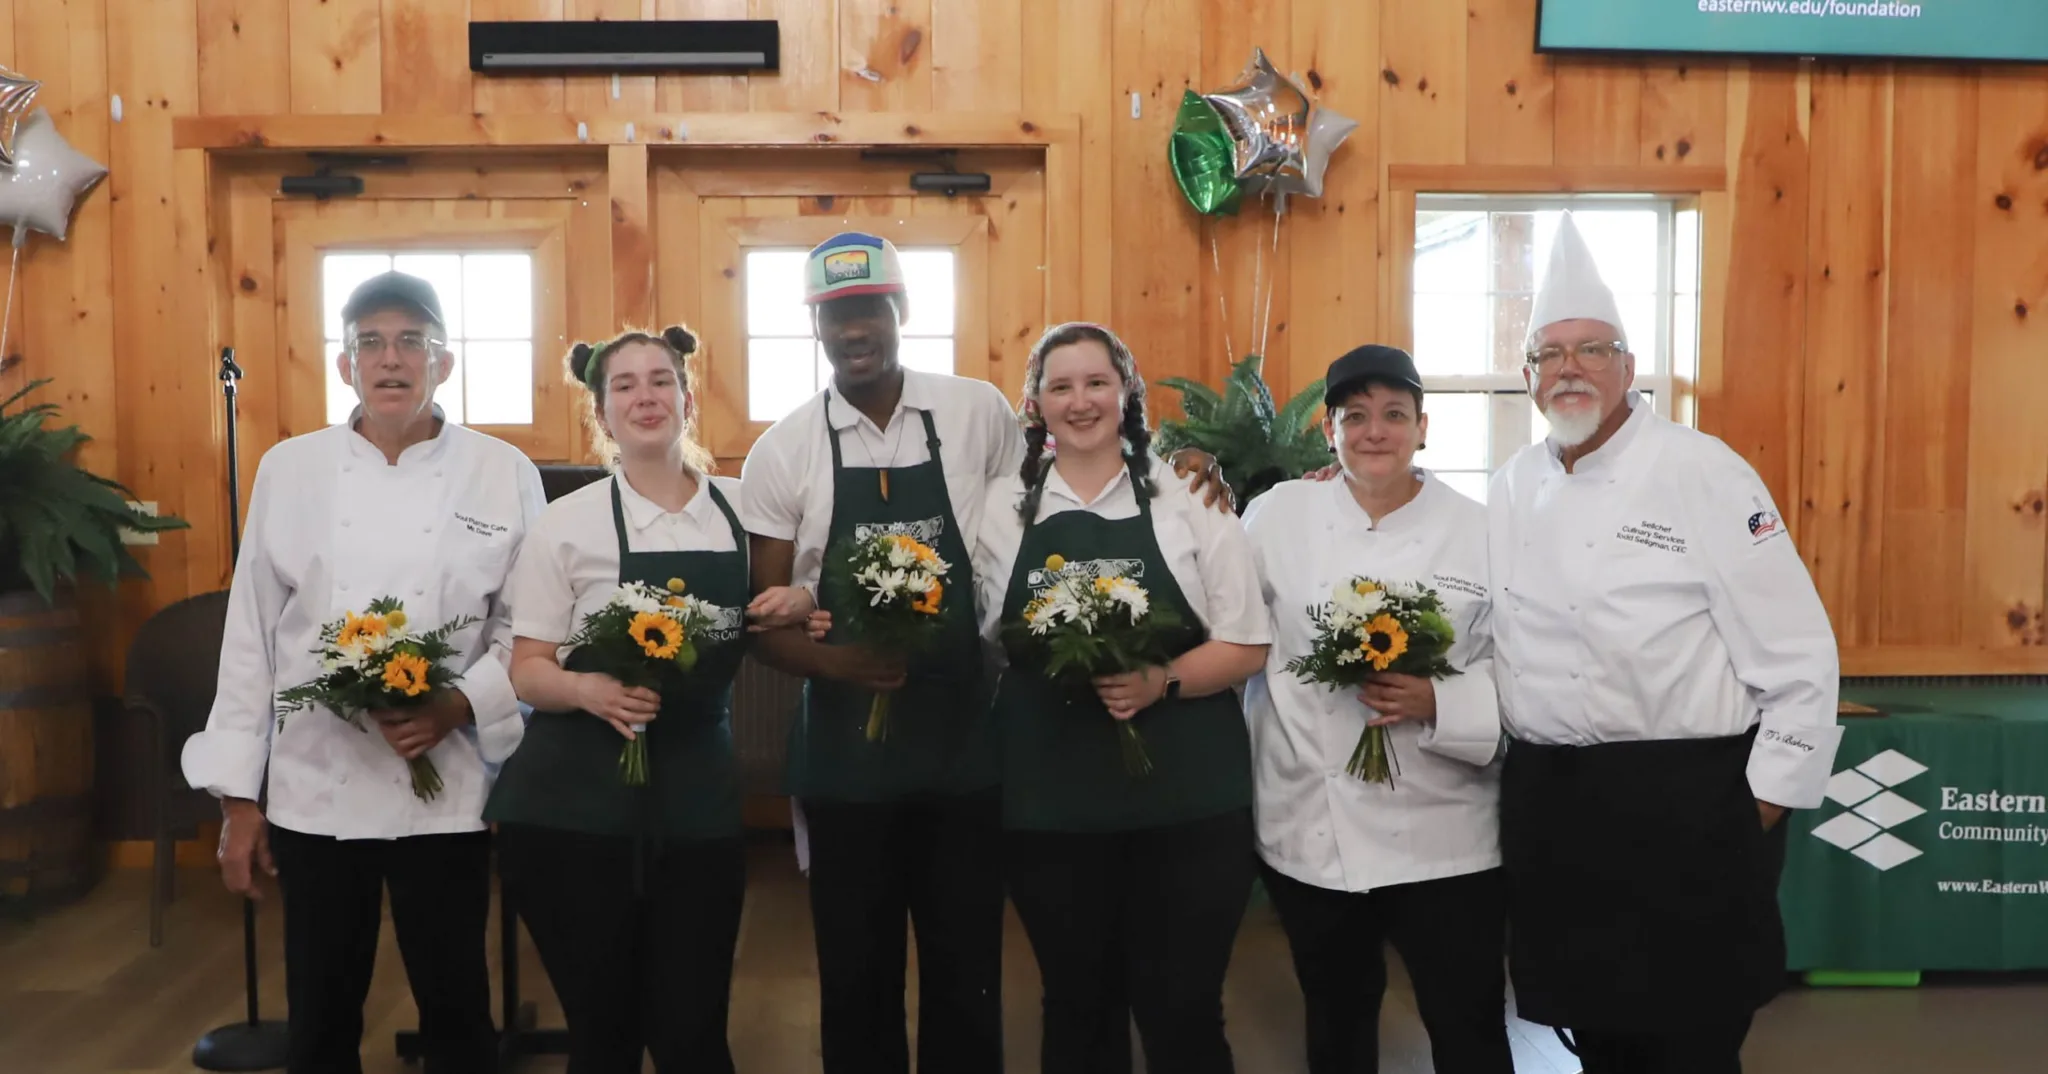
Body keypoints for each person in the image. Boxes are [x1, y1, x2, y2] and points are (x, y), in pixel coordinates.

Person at [746, 234, 1231, 1074]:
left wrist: (1185, 460)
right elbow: (768, 620)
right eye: (835, 316)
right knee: (855, 972)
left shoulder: (974, 412)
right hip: (844, 756)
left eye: (870, 309)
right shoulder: (781, 449)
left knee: (967, 969)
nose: (854, 330)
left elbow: (1072, 472)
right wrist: (838, 662)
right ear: (814, 329)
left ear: (901, 311)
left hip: (968, 746)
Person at [1488, 213, 1842, 1073]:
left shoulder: (1703, 470)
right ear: (1530, 377)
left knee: (1691, 1045)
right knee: (1597, 1045)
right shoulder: (1513, 483)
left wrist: (1749, 814)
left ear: (1628, 368)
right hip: (1556, 812)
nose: (1569, 369)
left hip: (1687, 810)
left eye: (1592, 349)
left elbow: (1802, 658)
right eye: (1549, 355)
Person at [182, 271, 545, 1074]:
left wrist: (456, 704)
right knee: (320, 1013)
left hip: (447, 785)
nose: (391, 360)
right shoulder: (289, 468)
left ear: (442, 363)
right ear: (344, 367)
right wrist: (240, 800)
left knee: (457, 1008)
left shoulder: (501, 470)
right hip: (316, 787)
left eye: (411, 341)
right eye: (370, 343)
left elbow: (531, 626)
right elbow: (252, 642)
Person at [483, 326, 813, 1072]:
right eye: (624, 385)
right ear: (602, 413)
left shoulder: (742, 513)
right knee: (603, 1034)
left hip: (696, 801)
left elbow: (787, 604)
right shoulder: (568, 524)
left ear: (687, 400)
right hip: (569, 808)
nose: (645, 397)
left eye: (660, 380)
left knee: (694, 1031)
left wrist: (799, 599)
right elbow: (526, 667)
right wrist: (585, 688)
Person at [977, 322, 1270, 1074]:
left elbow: (1246, 643)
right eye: (1061, 386)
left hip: (1189, 800)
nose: (1081, 401)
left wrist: (1160, 680)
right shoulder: (997, 510)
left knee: (1184, 1010)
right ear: (1034, 404)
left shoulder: (1190, 496)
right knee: (1076, 1005)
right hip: (1051, 797)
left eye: (1097, 383)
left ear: (1128, 391)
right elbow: (983, 637)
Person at [1240, 343, 1512, 1074]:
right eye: (1353, 416)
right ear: (1328, 431)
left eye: (1394, 414)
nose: (1374, 431)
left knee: (1469, 1026)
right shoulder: (1276, 515)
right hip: (1312, 828)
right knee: (1335, 1024)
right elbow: (1233, 631)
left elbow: (1525, 670)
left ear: (1424, 427)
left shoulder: (1482, 529)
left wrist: (1438, 699)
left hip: (1448, 830)